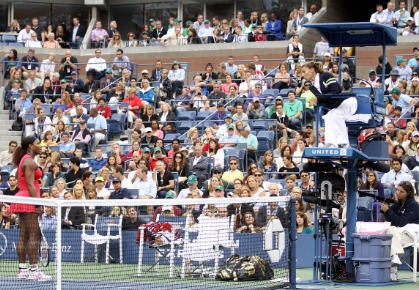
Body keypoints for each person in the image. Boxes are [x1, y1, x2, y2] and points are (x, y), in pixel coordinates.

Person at [9, 136, 51, 280]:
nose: (41, 146)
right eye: (38, 143)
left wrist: (44, 166)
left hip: (22, 199)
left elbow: (34, 179)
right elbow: (30, 184)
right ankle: (34, 270)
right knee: (33, 235)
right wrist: (37, 204)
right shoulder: (29, 161)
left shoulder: (26, 160)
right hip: (29, 200)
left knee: (23, 236)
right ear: (31, 146)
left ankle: (22, 270)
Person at [302, 61, 357, 148]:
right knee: (327, 117)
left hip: (347, 102)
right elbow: (324, 99)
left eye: (304, 72)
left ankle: (344, 143)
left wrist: (318, 98)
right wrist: (316, 101)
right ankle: (331, 143)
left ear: (312, 70)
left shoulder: (325, 76)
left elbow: (335, 91)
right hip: (336, 107)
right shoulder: (312, 87)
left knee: (335, 115)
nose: (302, 75)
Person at [381, 181, 419, 281]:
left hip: (412, 235)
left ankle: (394, 262)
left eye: (401, 191)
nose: (397, 193)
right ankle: (395, 257)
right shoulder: (397, 204)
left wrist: (388, 211)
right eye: (397, 190)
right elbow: (390, 220)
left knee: (389, 240)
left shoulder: (413, 205)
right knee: (388, 237)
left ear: (408, 193)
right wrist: (385, 211)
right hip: (398, 234)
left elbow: (401, 222)